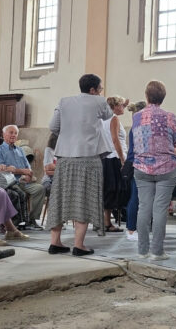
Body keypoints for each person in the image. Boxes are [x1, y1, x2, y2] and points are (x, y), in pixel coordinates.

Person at [47, 74, 113, 256]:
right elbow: (109, 115)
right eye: (100, 88)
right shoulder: (98, 101)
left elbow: (53, 126)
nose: (101, 91)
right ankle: (78, 245)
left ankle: (55, 242)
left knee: (61, 198)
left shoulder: (64, 101)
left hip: (65, 158)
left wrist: (70, 132)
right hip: (88, 157)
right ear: (93, 90)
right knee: (84, 198)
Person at [132, 81, 176, 259]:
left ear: (146, 96)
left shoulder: (136, 117)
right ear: (163, 97)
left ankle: (142, 251)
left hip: (141, 166)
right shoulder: (169, 116)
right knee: (160, 209)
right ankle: (157, 251)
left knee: (144, 207)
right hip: (166, 167)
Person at [0, 125, 45, 230]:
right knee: (16, 193)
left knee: (40, 189)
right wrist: (22, 171)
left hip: (23, 181)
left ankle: (31, 220)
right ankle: (14, 222)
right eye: (11, 132)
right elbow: (3, 169)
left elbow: (28, 168)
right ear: (4, 135)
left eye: (15, 133)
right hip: (9, 182)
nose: (13, 135)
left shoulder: (20, 150)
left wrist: (28, 175)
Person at [102, 96, 129, 232]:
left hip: (106, 157)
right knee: (113, 191)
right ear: (115, 106)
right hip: (114, 157)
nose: (123, 107)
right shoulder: (114, 119)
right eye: (121, 105)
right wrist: (123, 159)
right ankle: (107, 223)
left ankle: (106, 222)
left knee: (109, 191)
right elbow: (115, 140)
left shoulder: (103, 119)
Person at [125, 101, 147, 240]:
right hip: (139, 164)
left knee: (137, 197)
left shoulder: (134, 127)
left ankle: (134, 228)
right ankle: (132, 229)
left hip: (136, 163)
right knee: (136, 197)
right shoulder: (139, 128)